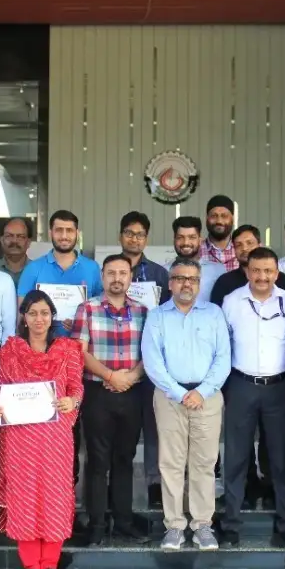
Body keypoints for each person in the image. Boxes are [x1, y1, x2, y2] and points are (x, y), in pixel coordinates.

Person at [0, 290, 84, 569]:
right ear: (24, 318)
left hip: (55, 435)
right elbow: (1, 389)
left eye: (45, 313)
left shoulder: (67, 350)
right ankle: (32, 564)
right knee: (25, 496)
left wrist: (72, 401)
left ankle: (50, 564)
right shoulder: (10, 351)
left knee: (54, 496)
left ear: (52, 316)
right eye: (33, 313)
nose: (39, 319)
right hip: (20, 436)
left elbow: (76, 388)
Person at [142, 258, 231, 551]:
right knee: (171, 463)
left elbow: (223, 359)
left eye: (192, 279)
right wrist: (180, 393)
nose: (186, 284)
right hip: (170, 397)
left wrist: (202, 391)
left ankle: (203, 524)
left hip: (207, 396)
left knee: (204, 463)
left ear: (199, 282)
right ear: (170, 283)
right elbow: (153, 362)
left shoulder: (213, 314)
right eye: (180, 278)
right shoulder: (157, 316)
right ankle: (175, 526)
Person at [221, 247, 285, 548]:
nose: (262, 276)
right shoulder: (231, 302)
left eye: (268, 271)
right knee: (235, 457)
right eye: (256, 270)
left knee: (281, 458)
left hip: (280, 388)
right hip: (241, 384)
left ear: (277, 273)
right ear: (247, 271)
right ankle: (230, 523)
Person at [72, 254, 149, 545]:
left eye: (123, 273)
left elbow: (149, 352)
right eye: (111, 273)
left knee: (124, 459)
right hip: (97, 393)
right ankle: (97, 524)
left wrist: (130, 377)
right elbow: (79, 352)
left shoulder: (143, 311)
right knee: (97, 461)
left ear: (131, 277)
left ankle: (124, 522)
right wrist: (110, 376)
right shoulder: (87, 309)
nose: (117, 278)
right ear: (102, 277)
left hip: (132, 392)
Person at [118, 211, 170, 508]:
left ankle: (154, 486)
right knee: (122, 431)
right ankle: (118, 491)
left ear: (146, 238)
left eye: (139, 234)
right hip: (116, 363)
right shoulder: (111, 268)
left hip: (151, 365)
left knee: (154, 428)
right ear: (120, 236)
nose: (134, 238)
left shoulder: (160, 274)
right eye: (129, 232)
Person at [16, 209, 103, 337]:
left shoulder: (92, 268)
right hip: (42, 349)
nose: (64, 236)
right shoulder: (33, 269)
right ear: (50, 233)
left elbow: (100, 310)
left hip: (81, 347)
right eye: (58, 230)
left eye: (69, 230)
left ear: (77, 234)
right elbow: (22, 315)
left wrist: (81, 322)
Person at [210, 224, 285, 307]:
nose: (244, 248)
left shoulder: (280, 279)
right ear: (234, 250)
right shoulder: (224, 282)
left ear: (260, 245)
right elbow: (216, 316)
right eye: (239, 245)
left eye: (249, 243)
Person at [165, 215, 223, 303]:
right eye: (180, 237)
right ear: (174, 240)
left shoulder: (218, 271)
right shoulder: (163, 271)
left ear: (200, 240)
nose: (186, 242)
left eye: (192, 237)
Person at [0, 216, 33, 286]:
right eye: (9, 236)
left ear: (28, 242)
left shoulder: (39, 271)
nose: (14, 241)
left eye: (20, 236)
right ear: (1, 240)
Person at [200, 195, 238, 270]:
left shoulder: (242, 249)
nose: (219, 221)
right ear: (207, 218)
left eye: (224, 216)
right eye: (214, 216)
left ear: (232, 219)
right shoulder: (196, 251)